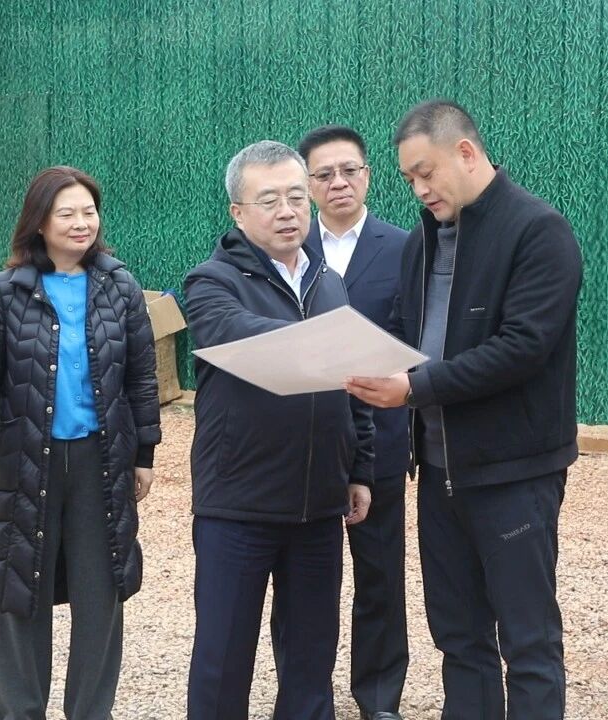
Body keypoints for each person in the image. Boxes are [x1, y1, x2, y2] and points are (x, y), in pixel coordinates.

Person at [346, 100, 583, 720]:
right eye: (408, 179)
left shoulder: (539, 232)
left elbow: (522, 348)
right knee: (459, 636)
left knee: (527, 640)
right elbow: (407, 337)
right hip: (438, 471)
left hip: (513, 473)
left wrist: (414, 389)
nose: (419, 190)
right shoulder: (421, 244)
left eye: (426, 173)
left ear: (467, 152)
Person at [0, 166, 161, 720]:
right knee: (19, 587)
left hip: (102, 460)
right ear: (39, 223)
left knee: (103, 591)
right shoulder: (5, 291)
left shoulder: (120, 286)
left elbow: (142, 377)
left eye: (88, 212)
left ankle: (91, 711)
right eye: (66, 213)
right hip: (24, 460)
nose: (81, 223)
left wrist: (144, 454)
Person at [184, 140, 375, 720]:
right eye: (269, 201)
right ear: (238, 213)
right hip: (238, 504)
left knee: (312, 662)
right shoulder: (211, 282)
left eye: (296, 197)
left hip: (318, 504)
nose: (288, 212)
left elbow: (354, 381)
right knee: (224, 660)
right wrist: (320, 339)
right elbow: (234, 333)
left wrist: (359, 468)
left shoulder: (328, 281)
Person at [269, 124, 410, 720]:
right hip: (305, 443)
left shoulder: (405, 247)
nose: (338, 183)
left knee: (379, 575)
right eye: (323, 175)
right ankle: (303, 694)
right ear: (307, 185)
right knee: (299, 582)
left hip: (383, 436)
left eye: (349, 170)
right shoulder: (286, 249)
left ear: (368, 175)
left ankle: (378, 697)